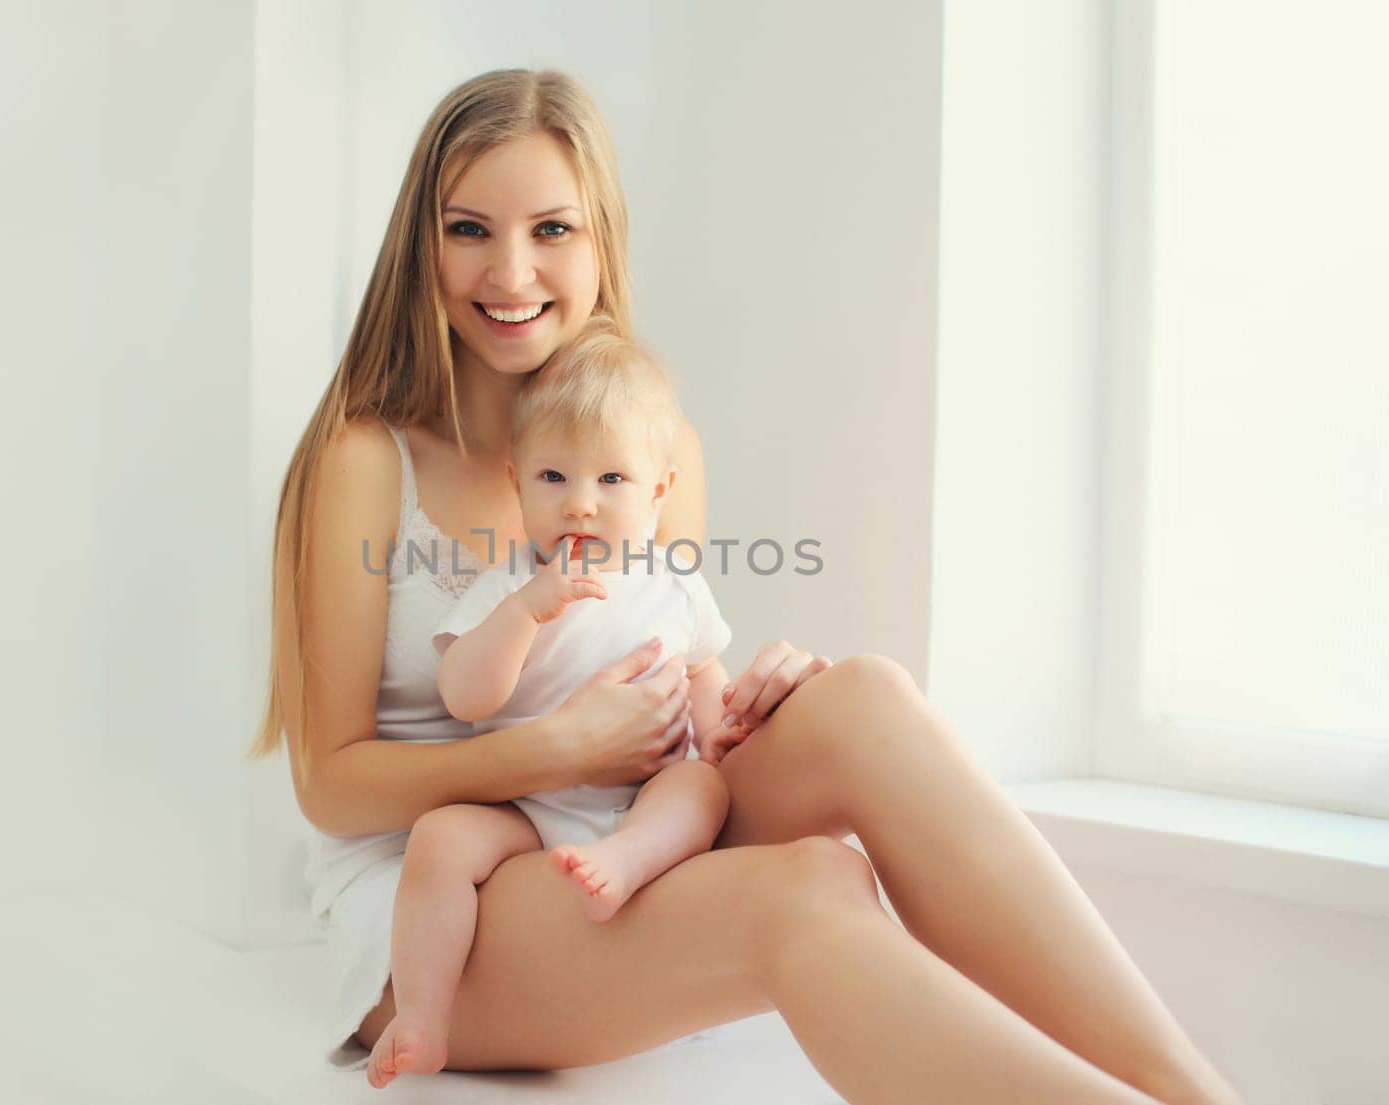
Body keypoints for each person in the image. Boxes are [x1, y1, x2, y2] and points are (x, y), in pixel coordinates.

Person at [248, 68, 1244, 1105]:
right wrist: (546, 750)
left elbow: (665, 667)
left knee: (863, 699)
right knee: (804, 892)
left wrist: (746, 706)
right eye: (468, 229)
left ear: (602, 242)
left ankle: (1196, 1094)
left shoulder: (655, 446)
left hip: (611, 830)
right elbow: (330, 786)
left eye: (553, 229)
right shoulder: (368, 459)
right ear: (423, 243)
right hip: (438, 898)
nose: (510, 271)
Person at [366, 322, 742, 1087]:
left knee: (700, 784)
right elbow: (466, 697)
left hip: (638, 796)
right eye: (552, 479)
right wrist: (526, 612)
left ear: (658, 490)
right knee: (438, 840)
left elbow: (706, 673)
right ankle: (426, 1015)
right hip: (525, 807)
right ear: (517, 480)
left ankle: (626, 860)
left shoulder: (674, 584)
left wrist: (725, 722)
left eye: (611, 481)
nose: (580, 505)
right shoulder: (511, 584)